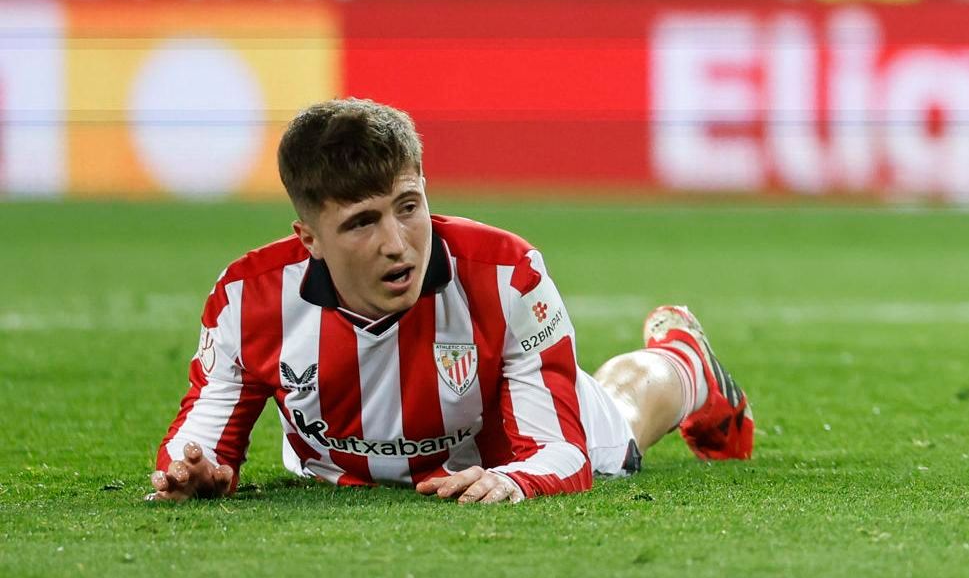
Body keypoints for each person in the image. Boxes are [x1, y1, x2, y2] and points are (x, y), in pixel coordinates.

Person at [147, 98, 752, 505]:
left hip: (513, 449)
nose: (396, 243)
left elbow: (560, 453)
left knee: (624, 414)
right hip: (346, 470)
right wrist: (192, 471)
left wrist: (514, 481)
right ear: (310, 239)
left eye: (408, 207)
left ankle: (684, 358)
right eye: (362, 223)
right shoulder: (247, 300)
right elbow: (197, 446)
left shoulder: (505, 276)